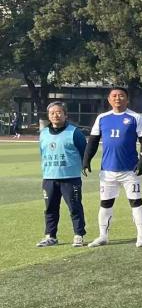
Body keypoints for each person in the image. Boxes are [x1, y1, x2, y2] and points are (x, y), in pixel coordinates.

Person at [84, 87, 142, 247]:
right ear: (109, 99)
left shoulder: (136, 117)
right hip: (108, 171)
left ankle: (141, 236)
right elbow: (93, 141)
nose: (117, 98)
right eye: (114, 96)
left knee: (136, 202)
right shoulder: (102, 118)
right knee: (105, 203)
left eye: (121, 95)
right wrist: (86, 160)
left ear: (127, 99)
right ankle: (103, 236)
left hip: (130, 170)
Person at [37, 101, 87, 247]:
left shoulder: (74, 132)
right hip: (49, 177)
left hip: (70, 177)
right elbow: (42, 153)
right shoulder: (43, 133)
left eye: (59, 112)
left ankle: (79, 235)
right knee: (50, 208)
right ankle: (50, 236)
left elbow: (84, 152)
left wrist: (84, 166)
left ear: (65, 115)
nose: (55, 115)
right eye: (52, 113)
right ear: (48, 116)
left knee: (74, 207)